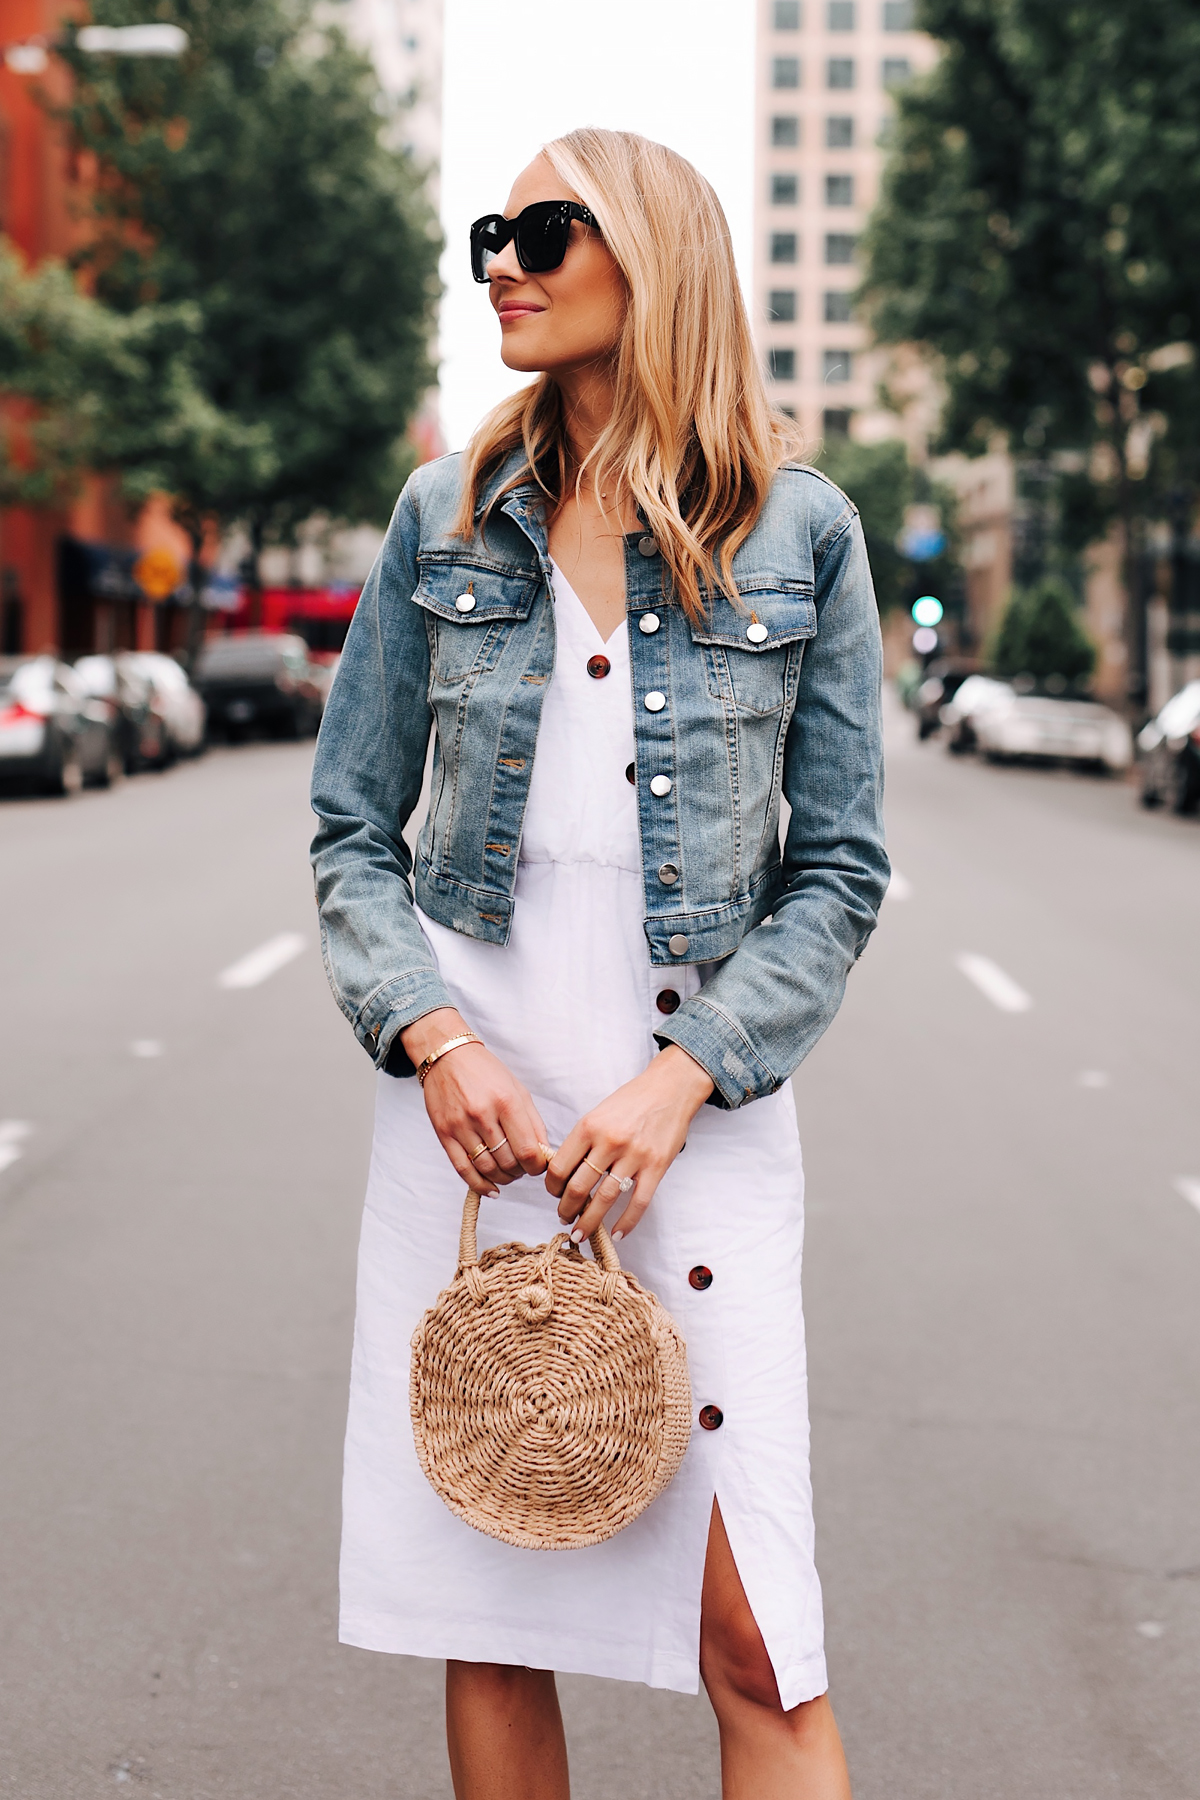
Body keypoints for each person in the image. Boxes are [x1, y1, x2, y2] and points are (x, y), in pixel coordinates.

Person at [310, 127, 887, 1800]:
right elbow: (353, 831)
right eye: (493, 231)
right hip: (475, 1109)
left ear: (654, 255)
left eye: (545, 231)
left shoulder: (802, 534)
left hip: (687, 1109)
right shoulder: (444, 515)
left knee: (757, 1636)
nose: (503, 259)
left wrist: (684, 1073)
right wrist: (429, 1033)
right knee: (492, 1599)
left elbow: (839, 869)